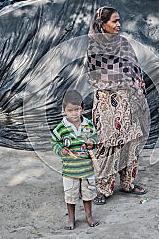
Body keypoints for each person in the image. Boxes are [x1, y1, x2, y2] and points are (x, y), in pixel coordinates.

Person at [87, 6, 149, 205]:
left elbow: (134, 68)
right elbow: (96, 77)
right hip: (107, 103)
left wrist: (136, 82)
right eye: (114, 21)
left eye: (119, 20)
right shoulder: (94, 47)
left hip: (127, 102)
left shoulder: (123, 43)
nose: (118, 24)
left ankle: (129, 183)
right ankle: (103, 188)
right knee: (107, 144)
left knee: (131, 141)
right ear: (102, 24)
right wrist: (122, 80)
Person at [51, 89, 99, 229]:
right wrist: (61, 150)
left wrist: (92, 143)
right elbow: (54, 142)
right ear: (64, 110)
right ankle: (71, 219)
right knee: (71, 196)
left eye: (77, 109)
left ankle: (89, 216)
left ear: (82, 109)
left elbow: (95, 138)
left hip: (86, 169)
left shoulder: (88, 125)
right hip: (70, 170)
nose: (74, 113)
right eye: (70, 110)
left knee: (88, 194)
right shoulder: (61, 128)